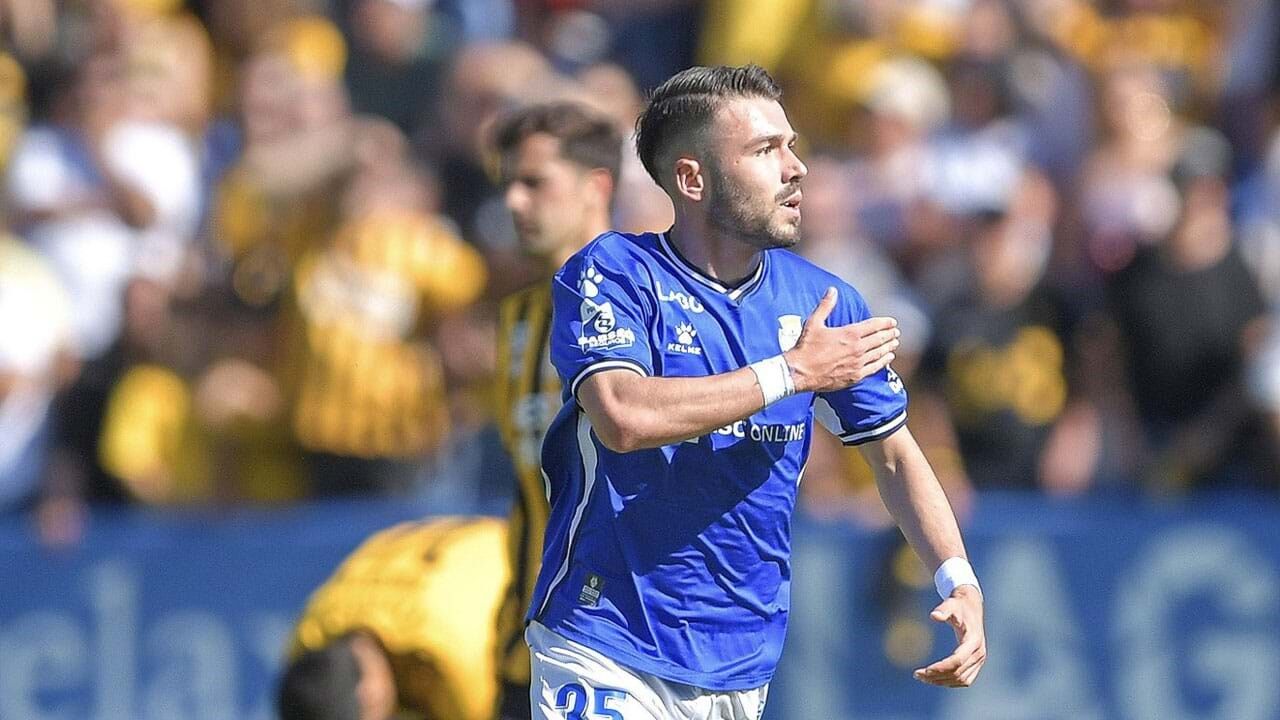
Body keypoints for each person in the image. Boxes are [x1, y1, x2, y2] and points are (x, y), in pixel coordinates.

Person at [526, 64, 987, 720]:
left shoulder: (821, 301)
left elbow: (893, 454)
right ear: (692, 179)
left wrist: (959, 579)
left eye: (792, 146)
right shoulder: (613, 272)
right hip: (606, 640)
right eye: (766, 149)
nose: (796, 168)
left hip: (742, 660)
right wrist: (792, 373)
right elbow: (622, 416)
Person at [489, 101, 622, 720]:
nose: (513, 202)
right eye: (507, 185)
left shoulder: (653, 307)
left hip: (621, 658)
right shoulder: (516, 319)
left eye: (534, 182)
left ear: (597, 186)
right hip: (523, 656)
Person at [279, 516, 509, 720]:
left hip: (513, 558)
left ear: (370, 696)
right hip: (446, 545)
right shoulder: (309, 636)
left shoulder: (457, 666)